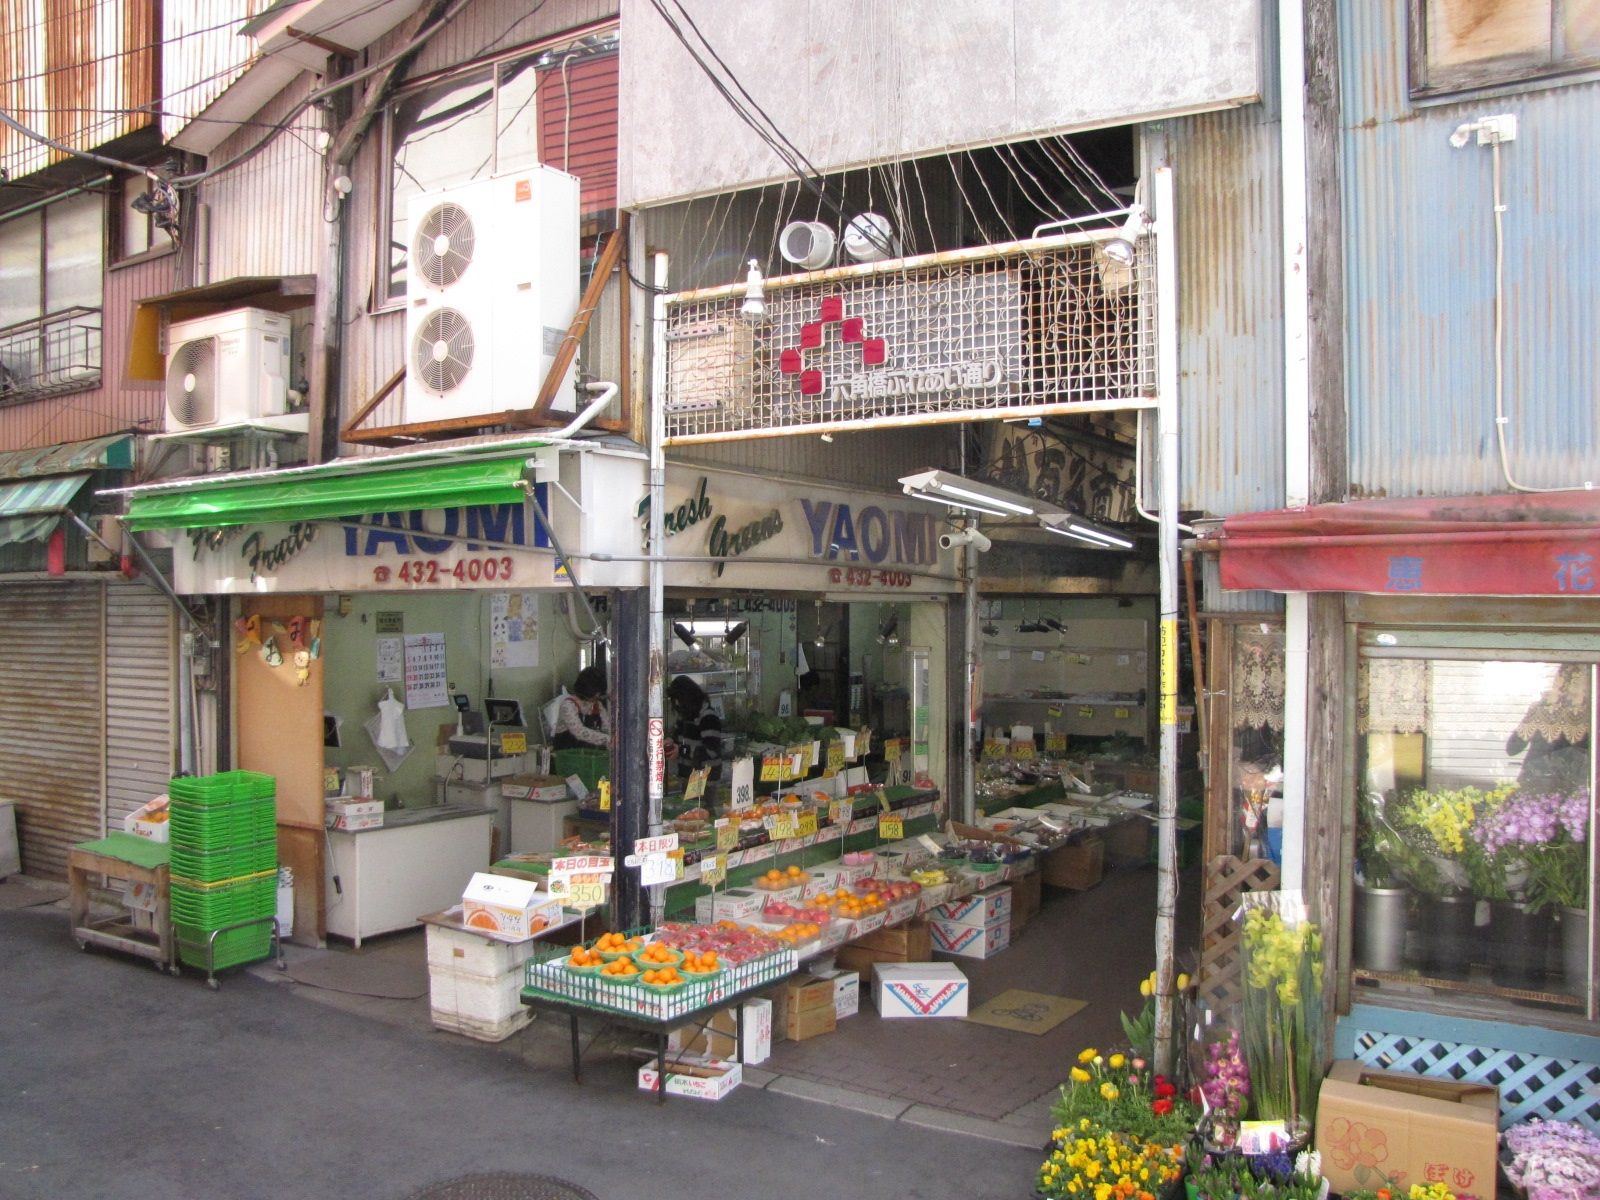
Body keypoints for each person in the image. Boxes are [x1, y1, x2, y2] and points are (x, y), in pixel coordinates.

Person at [666, 675, 723, 778]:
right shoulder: (685, 715)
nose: (677, 704)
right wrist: (671, 742)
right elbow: (678, 737)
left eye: (679, 700)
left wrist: (681, 750)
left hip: (705, 779)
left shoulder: (708, 717)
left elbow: (711, 751)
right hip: (687, 775)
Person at [550, 665, 611, 750]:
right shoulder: (568, 705)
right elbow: (579, 731)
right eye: (595, 692)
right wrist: (607, 739)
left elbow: (607, 727)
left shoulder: (597, 706)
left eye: (599, 692)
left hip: (588, 756)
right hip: (565, 755)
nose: (597, 695)